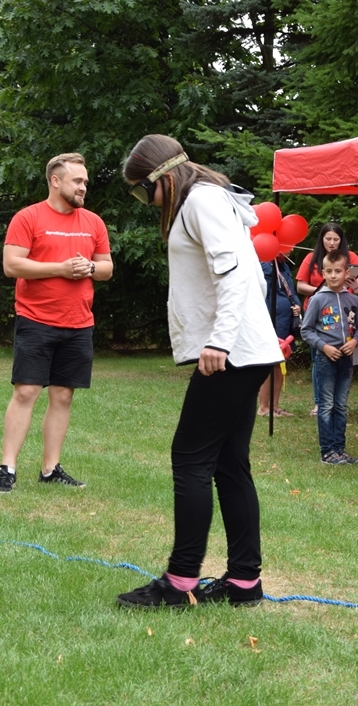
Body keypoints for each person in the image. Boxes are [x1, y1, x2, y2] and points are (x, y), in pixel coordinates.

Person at [117, 134, 284, 609]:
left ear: (161, 177)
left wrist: (218, 341)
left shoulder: (202, 200)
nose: (144, 201)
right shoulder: (207, 200)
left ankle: (180, 582)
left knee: (189, 457)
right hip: (246, 352)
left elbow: (233, 276)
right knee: (229, 464)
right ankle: (243, 583)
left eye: (140, 190)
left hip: (233, 353)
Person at [0, 153, 112, 494]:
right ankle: (6, 468)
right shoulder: (29, 217)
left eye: (85, 182)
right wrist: (60, 268)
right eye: (78, 181)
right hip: (36, 319)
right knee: (27, 391)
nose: (83, 187)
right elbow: (12, 265)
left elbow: (106, 267)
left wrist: (89, 269)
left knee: (63, 395)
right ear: (56, 181)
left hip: (79, 323)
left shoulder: (93, 222)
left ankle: (50, 469)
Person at [301, 249, 358, 465]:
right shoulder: (318, 299)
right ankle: (327, 451)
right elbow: (306, 330)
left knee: (341, 405)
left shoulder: (353, 300)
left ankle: (340, 449)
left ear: (347, 272)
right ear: (324, 273)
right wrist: (324, 347)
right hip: (325, 359)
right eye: (329, 271)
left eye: (338, 271)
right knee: (326, 405)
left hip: (346, 359)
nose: (334, 275)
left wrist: (354, 342)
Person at [296, 223, 358, 416]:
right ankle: (320, 402)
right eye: (328, 239)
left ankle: (340, 401)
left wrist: (352, 284)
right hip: (318, 313)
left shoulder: (351, 258)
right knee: (319, 359)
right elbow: (301, 285)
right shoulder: (311, 258)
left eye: (336, 239)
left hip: (344, 311)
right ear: (322, 239)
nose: (332, 243)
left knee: (344, 360)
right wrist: (322, 291)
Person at [257, 253, 302, 417]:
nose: (290, 250)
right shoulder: (264, 264)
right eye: (287, 247)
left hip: (285, 321)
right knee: (269, 364)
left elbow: (290, 291)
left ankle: (275, 406)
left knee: (280, 363)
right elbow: (264, 287)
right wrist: (269, 260)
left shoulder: (284, 266)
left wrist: (297, 305)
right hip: (271, 319)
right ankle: (263, 407)